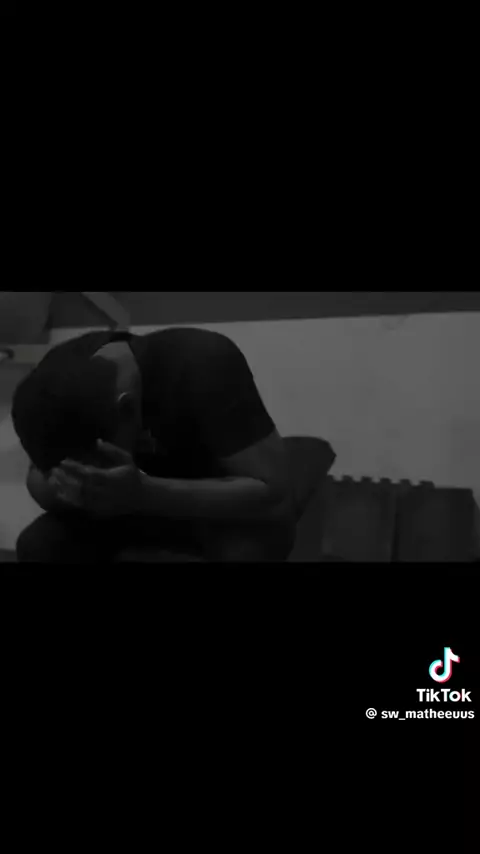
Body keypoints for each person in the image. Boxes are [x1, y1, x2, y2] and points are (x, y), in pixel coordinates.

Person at [13, 328, 296, 563]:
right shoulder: (57, 377)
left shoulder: (202, 362)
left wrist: (145, 494)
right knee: (38, 544)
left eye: (103, 459)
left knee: (246, 553)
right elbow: (38, 479)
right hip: (126, 509)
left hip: (214, 507)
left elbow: (271, 491)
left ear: (127, 409)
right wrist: (69, 490)